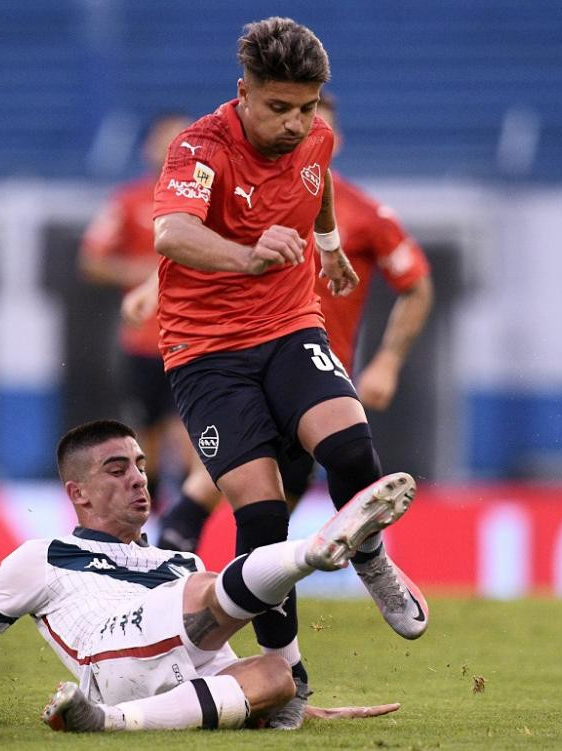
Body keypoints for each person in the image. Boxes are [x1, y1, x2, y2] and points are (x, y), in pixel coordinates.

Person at [0, 419, 413, 732]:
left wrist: (310, 707)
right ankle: (312, 549)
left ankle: (107, 723)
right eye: (116, 469)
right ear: (79, 494)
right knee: (214, 588)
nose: (136, 478)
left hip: (175, 673)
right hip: (113, 650)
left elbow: (225, 653)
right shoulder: (42, 557)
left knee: (274, 673)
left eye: (138, 464)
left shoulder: (172, 559)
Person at [145, 17, 429, 726]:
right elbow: (170, 232)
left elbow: (319, 176)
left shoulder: (315, 136)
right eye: (279, 108)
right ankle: (288, 679)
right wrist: (246, 255)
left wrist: (327, 243)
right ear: (243, 93)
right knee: (264, 516)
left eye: (307, 107)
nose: (296, 123)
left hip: (287, 325)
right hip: (206, 351)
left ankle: (370, 555)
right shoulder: (199, 147)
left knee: (350, 444)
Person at [135, 92, 434, 554]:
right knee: (226, 492)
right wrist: (153, 288)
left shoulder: (367, 214)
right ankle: (171, 570)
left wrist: (388, 361)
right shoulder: (254, 189)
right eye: (285, 117)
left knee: (288, 501)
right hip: (244, 351)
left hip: (311, 364)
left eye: (313, 122)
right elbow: (201, 251)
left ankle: (250, 585)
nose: (298, 132)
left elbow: (417, 283)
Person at [80, 113, 197, 505]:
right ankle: (152, 517)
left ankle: (187, 523)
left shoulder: (211, 201)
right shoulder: (128, 202)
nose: (173, 147)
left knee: (188, 436)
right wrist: (142, 272)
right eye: (166, 139)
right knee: (144, 438)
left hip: (196, 340)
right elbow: (92, 260)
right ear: (149, 147)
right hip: (144, 341)